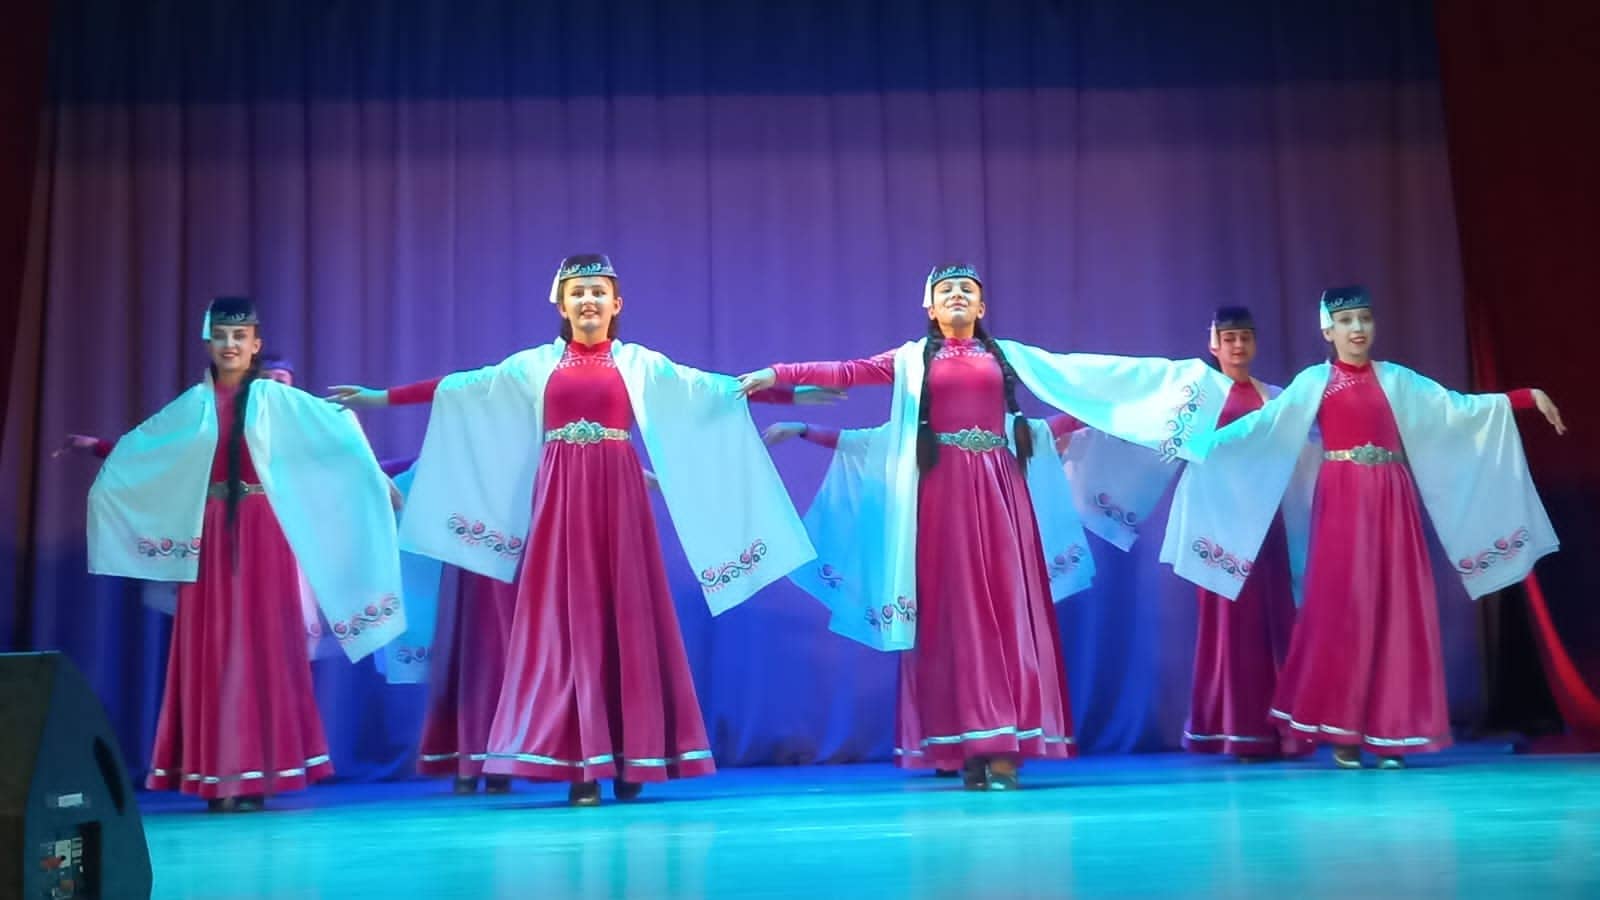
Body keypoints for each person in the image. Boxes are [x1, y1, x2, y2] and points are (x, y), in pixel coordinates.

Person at [328, 254, 820, 806]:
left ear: (616, 304)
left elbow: (715, 390)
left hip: (618, 497)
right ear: (561, 305)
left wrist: (792, 393)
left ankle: (634, 759)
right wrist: (382, 398)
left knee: (626, 615)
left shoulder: (639, 364)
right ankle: (580, 766)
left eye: (598, 292)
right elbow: (461, 389)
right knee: (566, 623)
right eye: (578, 292)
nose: (588, 300)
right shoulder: (534, 366)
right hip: (559, 499)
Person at [739, 263, 1227, 789]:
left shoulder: (1008, 357)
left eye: (967, 290)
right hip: (940, 495)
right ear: (930, 308)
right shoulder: (911, 360)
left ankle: (1004, 746)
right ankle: (966, 742)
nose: (956, 295)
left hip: (999, 494)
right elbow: (847, 372)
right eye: (945, 290)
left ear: (982, 306)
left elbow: (1086, 378)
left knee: (1006, 610)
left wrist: (1121, 407)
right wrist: (777, 374)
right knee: (951, 615)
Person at [1166, 286, 1566, 768]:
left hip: (1392, 500)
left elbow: (1457, 410)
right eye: (1346, 321)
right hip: (1341, 500)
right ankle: (1344, 731)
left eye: (1364, 319)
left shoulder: (1397, 380)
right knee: (1341, 611)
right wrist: (1199, 445)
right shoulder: (1316, 382)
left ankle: (1392, 733)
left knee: (1397, 609)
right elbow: (1263, 426)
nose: (1357, 329)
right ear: (1328, 330)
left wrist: (1522, 398)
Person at [72, 296, 404, 811]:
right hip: (210, 530)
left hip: (264, 530)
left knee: (263, 646)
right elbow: (147, 452)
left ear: (255, 345)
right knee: (213, 648)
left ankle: (257, 774)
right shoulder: (194, 406)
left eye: (240, 337)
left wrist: (376, 479)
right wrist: (95, 446)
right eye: (222, 337)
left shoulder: (278, 401)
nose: (231, 345)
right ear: (209, 344)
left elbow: (336, 440)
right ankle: (215, 774)